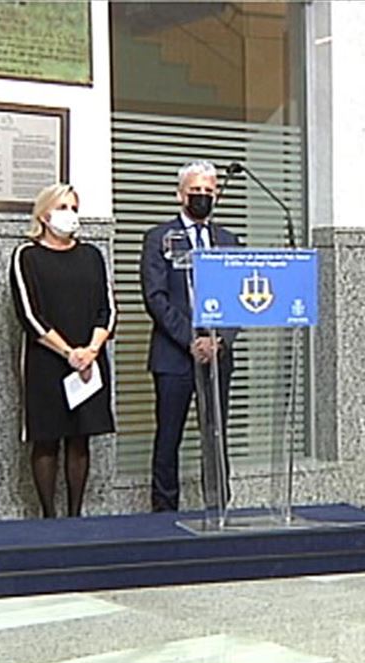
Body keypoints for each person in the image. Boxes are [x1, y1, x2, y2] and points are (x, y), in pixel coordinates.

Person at [9, 184, 116, 518]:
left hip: (89, 360)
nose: (70, 214)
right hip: (47, 359)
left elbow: (107, 308)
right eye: (62, 207)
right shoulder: (26, 255)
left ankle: (75, 515)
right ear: (44, 214)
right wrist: (68, 352)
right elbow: (29, 314)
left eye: (74, 207)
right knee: (47, 438)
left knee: (80, 437)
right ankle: (48, 517)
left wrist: (90, 350)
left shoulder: (92, 255)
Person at [141, 160, 240, 512]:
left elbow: (237, 299)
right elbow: (155, 297)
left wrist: (220, 341)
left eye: (208, 192)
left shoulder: (229, 241)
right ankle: (164, 513)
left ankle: (218, 506)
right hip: (174, 354)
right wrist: (191, 340)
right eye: (195, 191)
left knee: (216, 434)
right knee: (169, 436)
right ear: (179, 195)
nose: (202, 197)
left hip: (217, 355)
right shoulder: (159, 238)